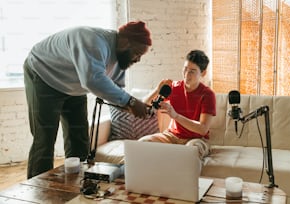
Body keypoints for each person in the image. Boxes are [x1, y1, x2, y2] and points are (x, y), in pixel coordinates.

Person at [24, 21, 152, 178]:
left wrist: (136, 108)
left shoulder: (120, 60)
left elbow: (116, 92)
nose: (138, 59)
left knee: (79, 139)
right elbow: (92, 80)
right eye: (137, 53)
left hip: (73, 86)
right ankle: (37, 193)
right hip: (44, 74)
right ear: (125, 42)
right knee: (44, 140)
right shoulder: (94, 41)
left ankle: (78, 185)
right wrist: (132, 102)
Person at [139, 50, 216, 160]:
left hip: (196, 139)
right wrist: (157, 90)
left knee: (191, 151)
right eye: (185, 69)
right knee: (142, 143)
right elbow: (144, 104)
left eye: (192, 71)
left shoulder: (207, 94)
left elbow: (202, 129)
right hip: (171, 136)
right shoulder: (174, 87)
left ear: (203, 73)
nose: (186, 74)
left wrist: (175, 116)